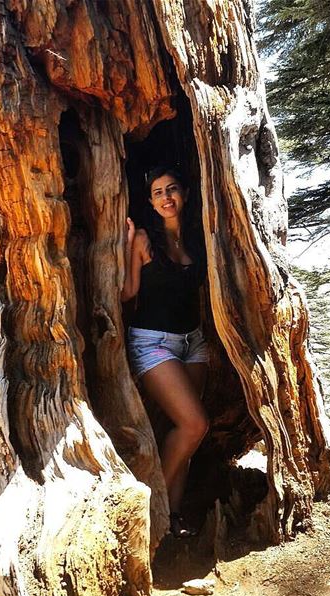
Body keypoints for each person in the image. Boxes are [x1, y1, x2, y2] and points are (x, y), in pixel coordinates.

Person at [121, 166, 209, 538]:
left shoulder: (196, 239)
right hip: (152, 341)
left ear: (184, 194)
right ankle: (151, 503)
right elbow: (127, 293)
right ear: (150, 201)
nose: (166, 197)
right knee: (195, 424)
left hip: (194, 343)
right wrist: (126, 245)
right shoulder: (144, 239)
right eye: (157, 192)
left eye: (172, 189)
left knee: (188, 434)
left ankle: (172, 519)